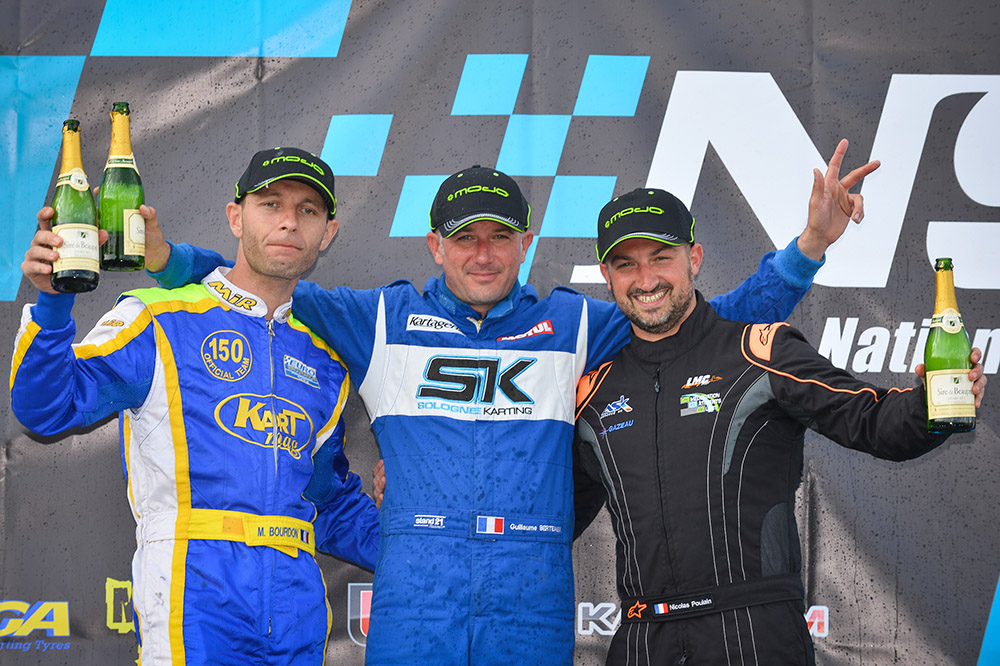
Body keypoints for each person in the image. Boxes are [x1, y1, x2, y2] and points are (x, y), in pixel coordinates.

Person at [142, 141, 873, 664]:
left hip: (530, 599)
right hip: (415, 602)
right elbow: (259, 281)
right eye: (465, 239)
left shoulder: (575, 323)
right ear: (436, 246)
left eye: (500, 238)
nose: (483, 254)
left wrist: (807, 248)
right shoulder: (381, 319)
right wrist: (169, 260)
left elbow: (708, 323)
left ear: (526, 243)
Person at [572, 173, 988, 664]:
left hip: (755, 633)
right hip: (642, 641)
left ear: (694, 259)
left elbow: (872, 420)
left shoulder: (760, 351)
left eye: (661, 257)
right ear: (607, 276)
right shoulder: (591, 393)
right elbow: (556, 514)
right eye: (627, 264)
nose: (646, 281)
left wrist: (932, 405)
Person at [11, 148, 380, 665]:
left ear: (328, 232)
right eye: (271, 204)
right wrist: (52, 303)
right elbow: (47, 408)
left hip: (296, 604)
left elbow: (329, 502)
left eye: (308, 210)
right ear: (236, 217)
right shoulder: (158, 317)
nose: (289, 222)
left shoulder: (325, 357)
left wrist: (428, 547)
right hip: (194, 590)